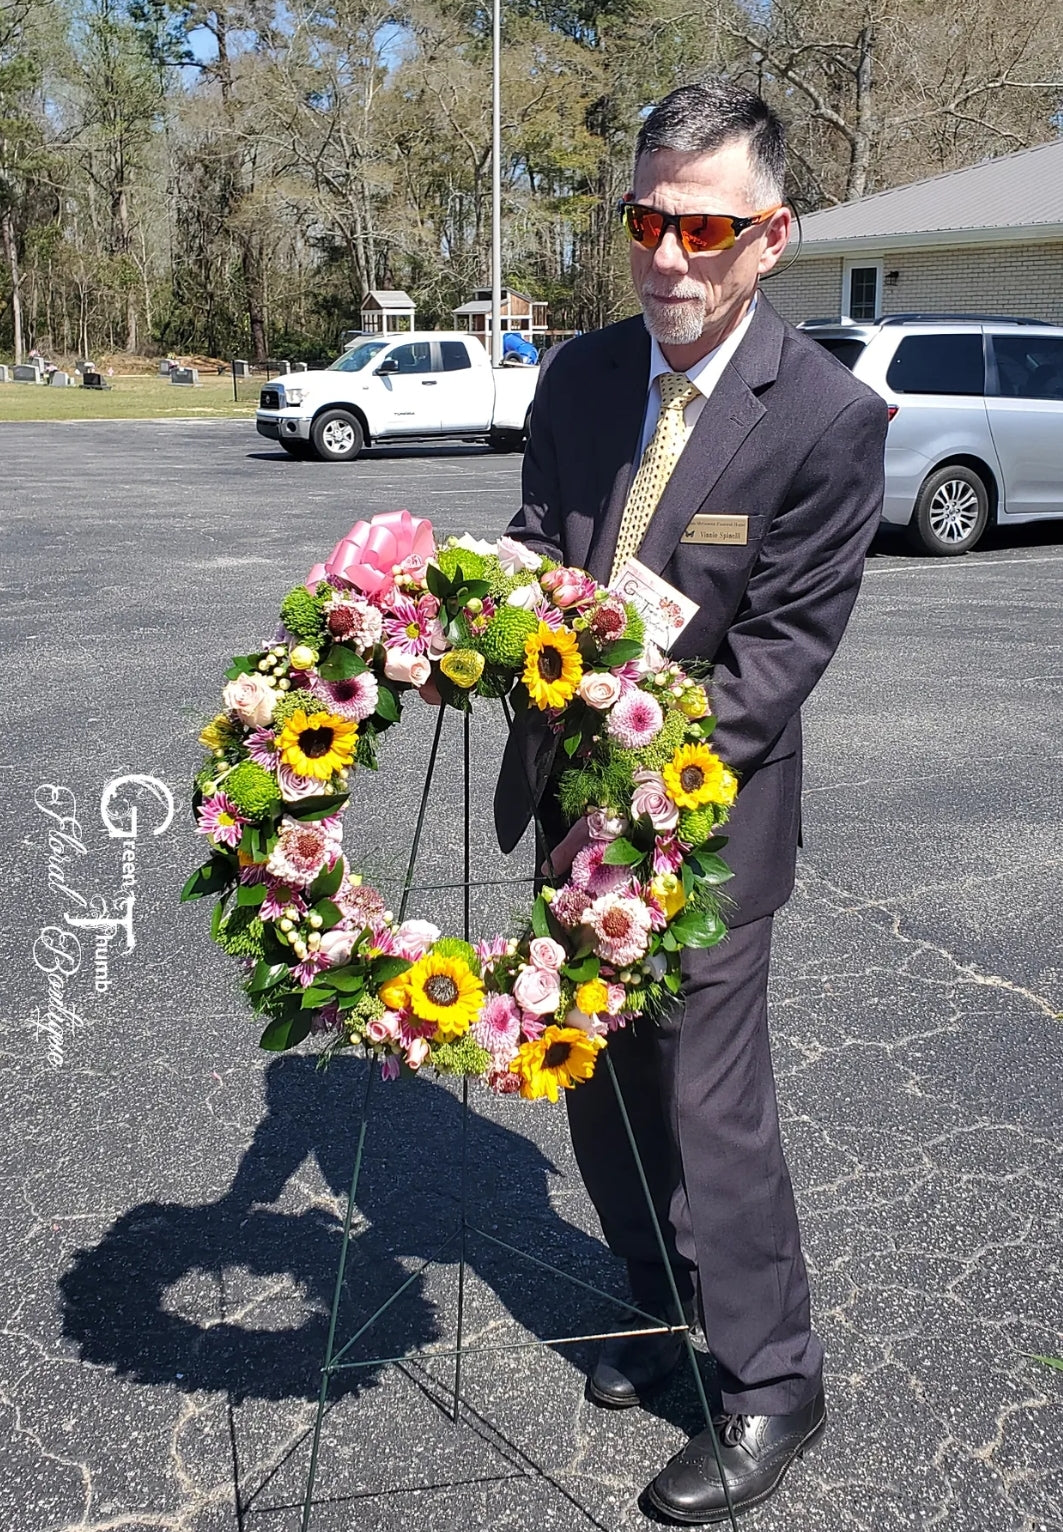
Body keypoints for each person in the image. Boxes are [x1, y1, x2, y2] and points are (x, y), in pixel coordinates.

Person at [493, 78, 888, 1524]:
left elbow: (777, 660)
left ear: (770, 237)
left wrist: (631, 743)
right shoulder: (585, 377)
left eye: (704, 229)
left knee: (709, 1106)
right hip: (565, 803)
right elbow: (543, 536)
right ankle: (662, 1313)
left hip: (708, 824)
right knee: (596, 1078)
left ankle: (773, 1382)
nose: (668, 256)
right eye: (645, 220)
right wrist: (481, 607)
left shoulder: (830, 420)